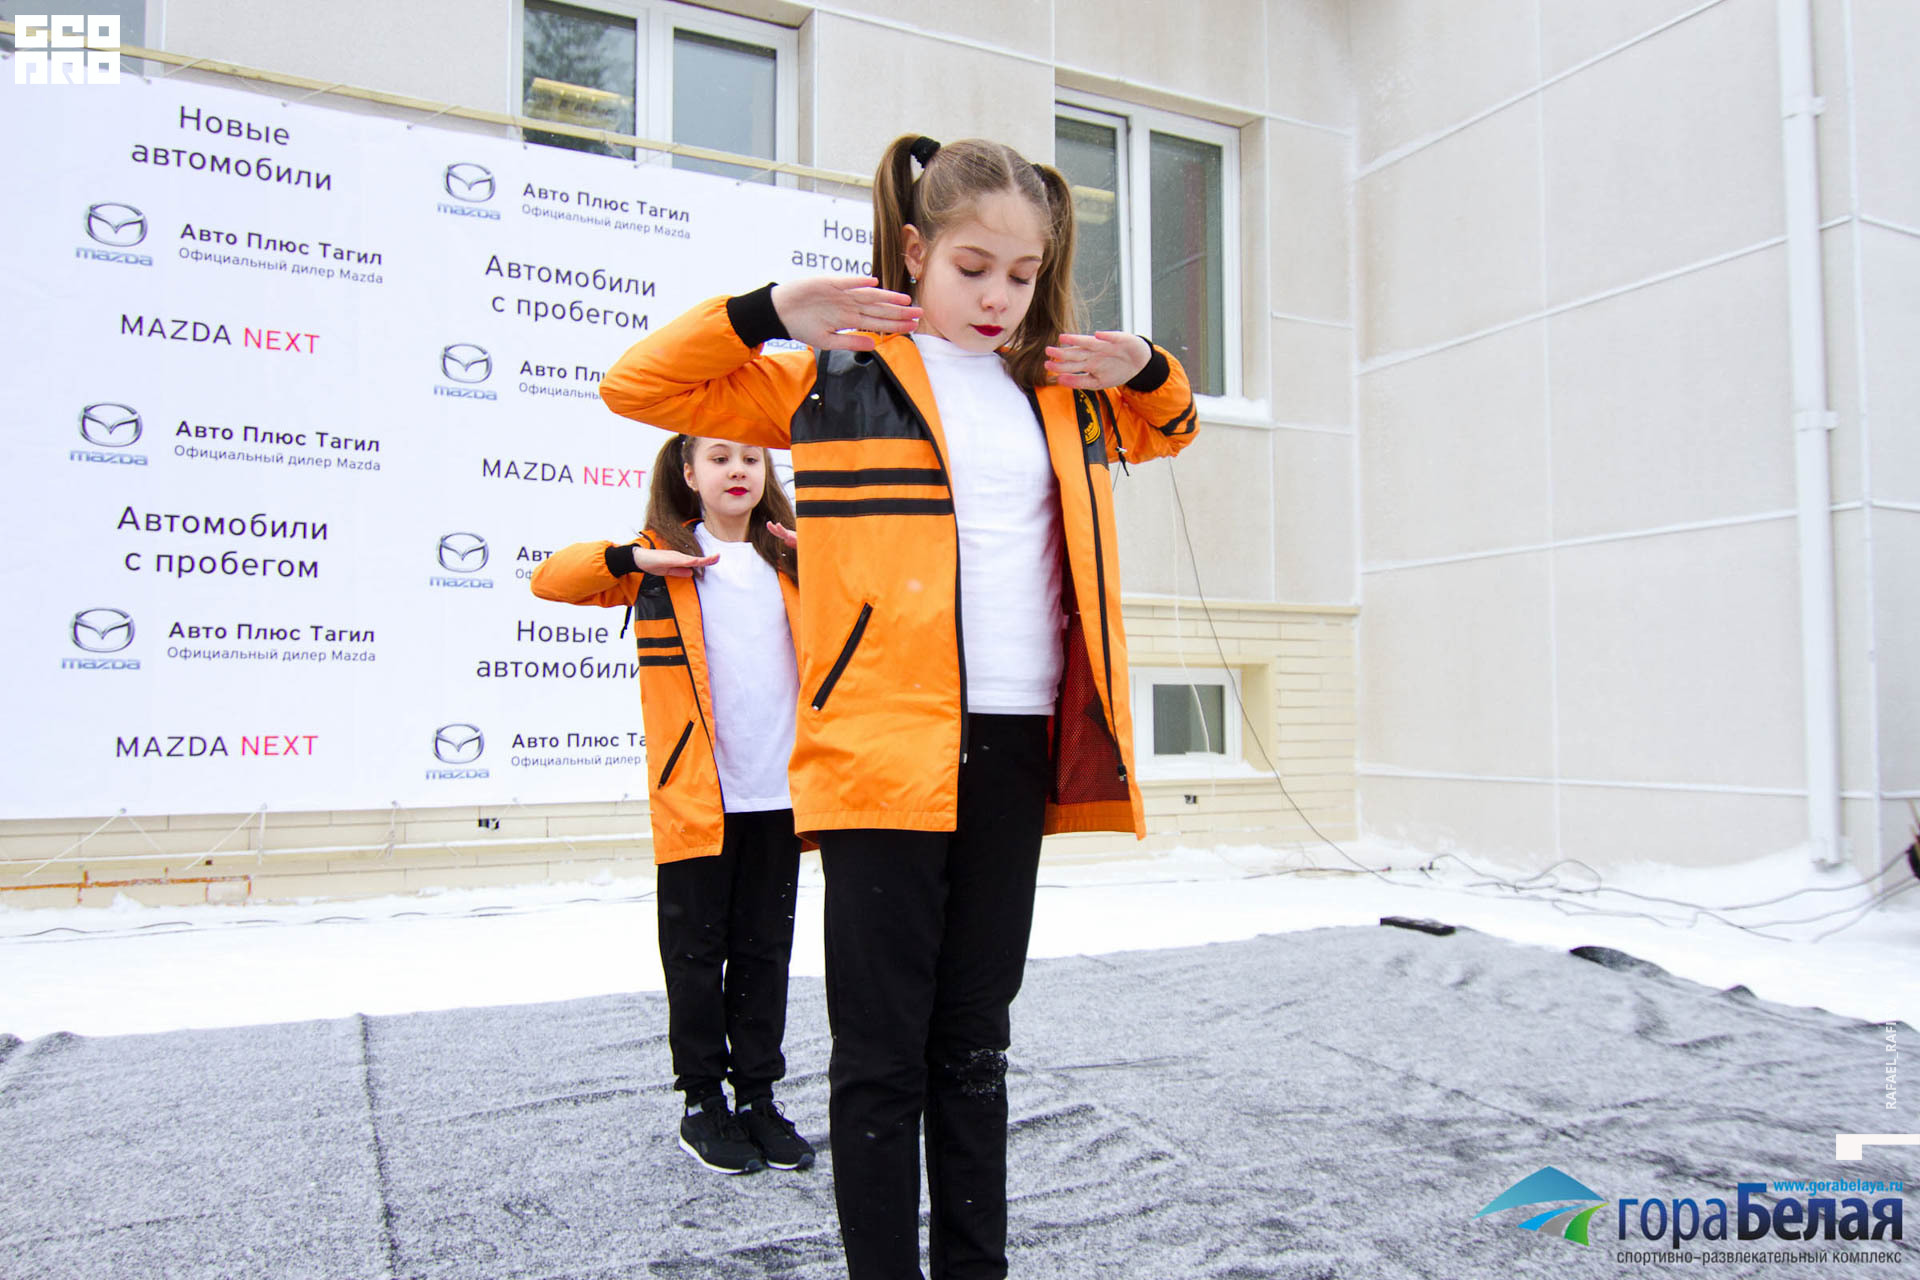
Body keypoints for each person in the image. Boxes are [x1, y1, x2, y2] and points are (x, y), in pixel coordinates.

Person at [597, 134, 1199, 1278]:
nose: (998, 296)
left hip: (1015, 741)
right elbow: (638, 386)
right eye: (973, 266)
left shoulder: (1059, 391)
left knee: (975, 1041)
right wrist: (772, 309)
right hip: (882, 744)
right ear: (914, 251)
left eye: (1022, 274)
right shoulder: (835, 378)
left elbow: (1168, 425)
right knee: (880, 1051)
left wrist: (1144, 363)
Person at [530, 433, 816, 1178]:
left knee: (765, 954)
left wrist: (825, 557)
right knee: (694, 957)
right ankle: (702, 1103)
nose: (737, 470)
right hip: (697, 797)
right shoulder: (662, 561)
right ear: (689, 473)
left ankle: (758, 1098)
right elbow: (550, 580)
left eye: (751, 458)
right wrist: (633, 559)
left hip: (782, 796)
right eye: (719, 458)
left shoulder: (794, 560)